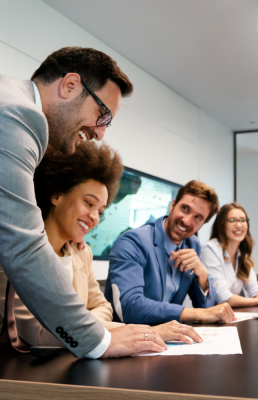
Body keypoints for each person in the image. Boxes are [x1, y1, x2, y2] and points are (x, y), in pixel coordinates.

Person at [0, 46, 166, 358]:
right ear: (70, 85)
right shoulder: (17, 115)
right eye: (102, 114)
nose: (100, 133)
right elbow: (22, 247)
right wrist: (100, 341)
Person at [11, 142, 202, 346]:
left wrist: (83, 324)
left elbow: (103, 306)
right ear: (57, 194)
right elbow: (40, 336)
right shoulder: (23, 249)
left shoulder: (82, 253)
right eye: (89, 203)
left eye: (100, 211)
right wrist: (148, 332)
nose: (94, 217)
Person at [105, 181, 235, 325]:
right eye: (185, 208)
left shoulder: (192, 244)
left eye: (197, 217)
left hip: (169, 338)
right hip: (130, 339)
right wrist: (191, 312)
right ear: (173, 205)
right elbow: (129, 308)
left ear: (202, 224)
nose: (186, 220)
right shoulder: (132, 242)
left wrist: (202, 275)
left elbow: (206, 310)